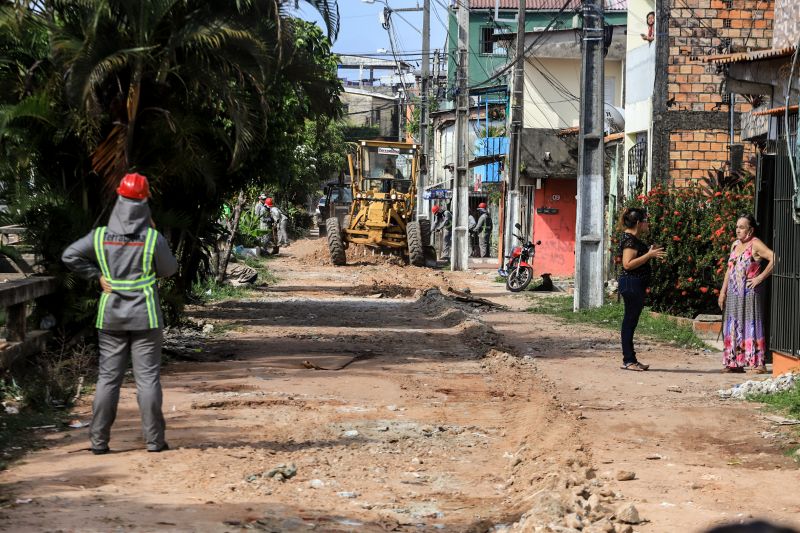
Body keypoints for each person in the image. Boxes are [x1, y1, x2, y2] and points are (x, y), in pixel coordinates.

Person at [62, 173, 178, 454]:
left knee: (108, 379)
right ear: (145, 200)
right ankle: (154, 442)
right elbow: (168, 270)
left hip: (110, 317)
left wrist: (97, 275)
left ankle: (98, 443)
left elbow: (69, 255)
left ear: (119, 199)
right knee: (147, 379)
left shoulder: (100, 236)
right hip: (146, 317)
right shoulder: (152, 238)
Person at [719, 214, 774, 374]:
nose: (738, 230)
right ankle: (734, 362)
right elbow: (730, 269)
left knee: (750, 325)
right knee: (733, 325)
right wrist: (723, 291)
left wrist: (760, 277)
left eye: (742, 227)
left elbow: (774, 258)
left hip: (749, 293)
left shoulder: (755, 244)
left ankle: (758, 364)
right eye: (737, 227)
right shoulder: (735, 245)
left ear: (750, 230)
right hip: (734, 294)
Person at [617, 207, 665, 371]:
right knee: (629, 321)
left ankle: (631, 359)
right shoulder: (630, 240)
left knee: (631, 321)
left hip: (634, 283)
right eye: (645, 221)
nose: (648, 224)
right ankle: (629, 360)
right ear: (638, 222)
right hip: (631, 283)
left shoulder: (632, 238)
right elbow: (627, 264)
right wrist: (648, 255)